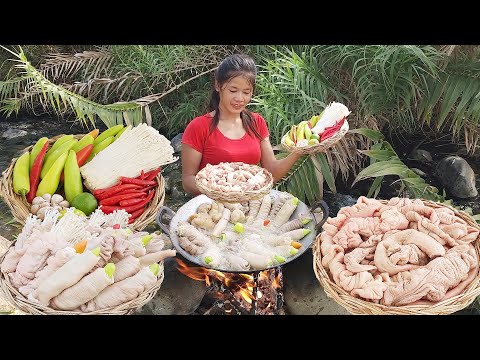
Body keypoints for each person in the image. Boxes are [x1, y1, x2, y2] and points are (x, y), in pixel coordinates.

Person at [181, 53, 303, 196]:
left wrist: (299, 151)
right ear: (218, 85)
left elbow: (272, 172)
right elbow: (188, 180)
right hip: (212, 210)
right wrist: (221, 190)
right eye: (233, 90)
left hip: (251, 207)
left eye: (246, 92)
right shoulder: (198, 127)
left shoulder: (256, 122)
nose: (239, 98)